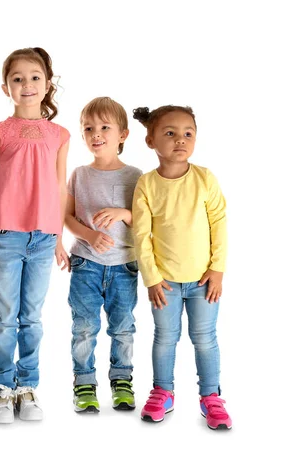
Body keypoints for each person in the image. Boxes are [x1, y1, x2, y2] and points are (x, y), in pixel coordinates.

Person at [0, 47, 70, 424]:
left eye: (34, 77)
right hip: (6, 235)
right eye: (18, 79)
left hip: (44, 238)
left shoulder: (60, 135)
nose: (26, 85)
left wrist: (60, 237)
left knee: (32, 317)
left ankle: (28, 386)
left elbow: (60, 188)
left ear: (47, 84)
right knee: (4, 316)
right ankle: (2, 388)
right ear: (5, 87)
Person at [132, 105, 232, 430]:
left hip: (204, 281)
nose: (180, 140)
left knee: (205, 338)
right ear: (151, 141)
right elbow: (141, 234)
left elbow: (219, 222)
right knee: (165, 337)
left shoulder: (205, 179)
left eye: (188, 133)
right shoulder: (147, 185)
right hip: (166, 283)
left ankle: (211, 396)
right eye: (170, 133)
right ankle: (163, 391)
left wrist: (217, 269)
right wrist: (151, 278)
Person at [65, 97, 142, 414]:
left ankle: (122, 380)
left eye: (104, 127)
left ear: (122, 135)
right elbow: (66, 217)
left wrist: (125, 212)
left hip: (124, 265)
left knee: (123, 326)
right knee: (83, 327)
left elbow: (146, 220)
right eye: (88, 128)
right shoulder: (79, 174)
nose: (96, 134)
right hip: (85, 264)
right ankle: (84, 383)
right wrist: (89, 235)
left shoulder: (135, 176)